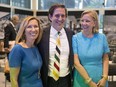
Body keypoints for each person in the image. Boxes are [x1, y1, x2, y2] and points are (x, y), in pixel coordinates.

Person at [37, 4, 74, 87]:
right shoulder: (42, 34)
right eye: (57, 15)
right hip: (48, 79)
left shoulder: (70, 34)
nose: (60, 19)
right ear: (50, 17)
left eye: (63, 16)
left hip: (66, 79)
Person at [72, 10, 110, 87]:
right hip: (81, 79)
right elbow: (76, 63)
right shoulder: (75, 38)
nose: (83, 23)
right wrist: (89, 82)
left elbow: (105, 59)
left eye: (87, 21)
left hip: (100, 80)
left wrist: (105, 78)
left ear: (94, 23)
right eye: (82, 20)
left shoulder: (102, 37)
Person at [9, 16, 43, 87]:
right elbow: (13, 79)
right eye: (29, 27)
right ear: (24, 30)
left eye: (36, 26)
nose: (33, 29)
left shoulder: (35, 47)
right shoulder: (18, 49)